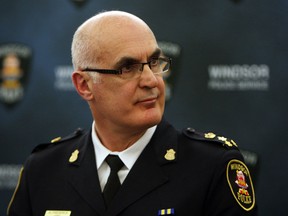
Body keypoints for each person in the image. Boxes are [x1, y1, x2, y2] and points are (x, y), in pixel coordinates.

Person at [7, 10, 257, 216]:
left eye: (155, 62)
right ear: (84, 85)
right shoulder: (43, 170)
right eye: (128, 68)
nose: (152, 80)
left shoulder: (212, 167)